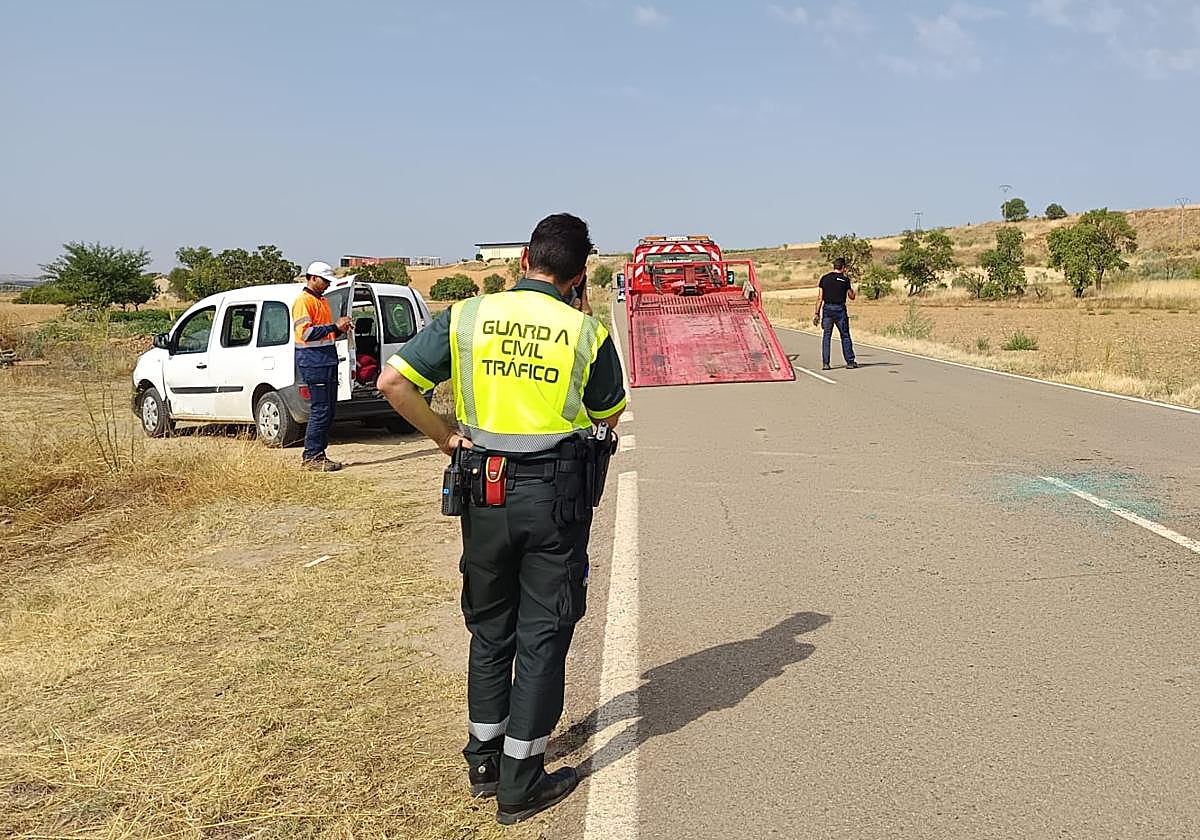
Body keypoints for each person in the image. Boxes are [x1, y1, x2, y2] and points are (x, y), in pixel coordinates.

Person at [377, 213, 626, 825]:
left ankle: (483, 761)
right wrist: (582, 308)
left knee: (491, 627)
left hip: (482, 493)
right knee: (543, 632)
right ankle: (522, 780)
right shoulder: (584, 331)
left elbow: (393, 382)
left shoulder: (465, 316)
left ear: (522, 260)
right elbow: (609, 415)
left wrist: (444, 439)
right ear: (579, 274)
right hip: (554, 500)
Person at [292, 261, 353, 470]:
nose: (327, 284)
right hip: (313, 362)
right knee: (320, 410)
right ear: (313, 278)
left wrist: (340, 328)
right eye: (325, 281)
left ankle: (319, 454)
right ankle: (312, 457)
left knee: (328, 411)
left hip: (326, 361)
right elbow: (306, 333)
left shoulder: (322, 301)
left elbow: (326, 334)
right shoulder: (303, 301)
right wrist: (334, 326)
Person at [812, 256, 858, 370]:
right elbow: (852, 297)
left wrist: (817, 313)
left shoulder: (824, 279)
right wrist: (852, 288)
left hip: (827, 309)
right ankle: (850, 361)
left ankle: (826, 363)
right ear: (843, 267)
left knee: (826, 336)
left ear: (834, 266)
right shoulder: (845, 280)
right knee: (845, 335)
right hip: (840, 309)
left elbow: (820, 298)